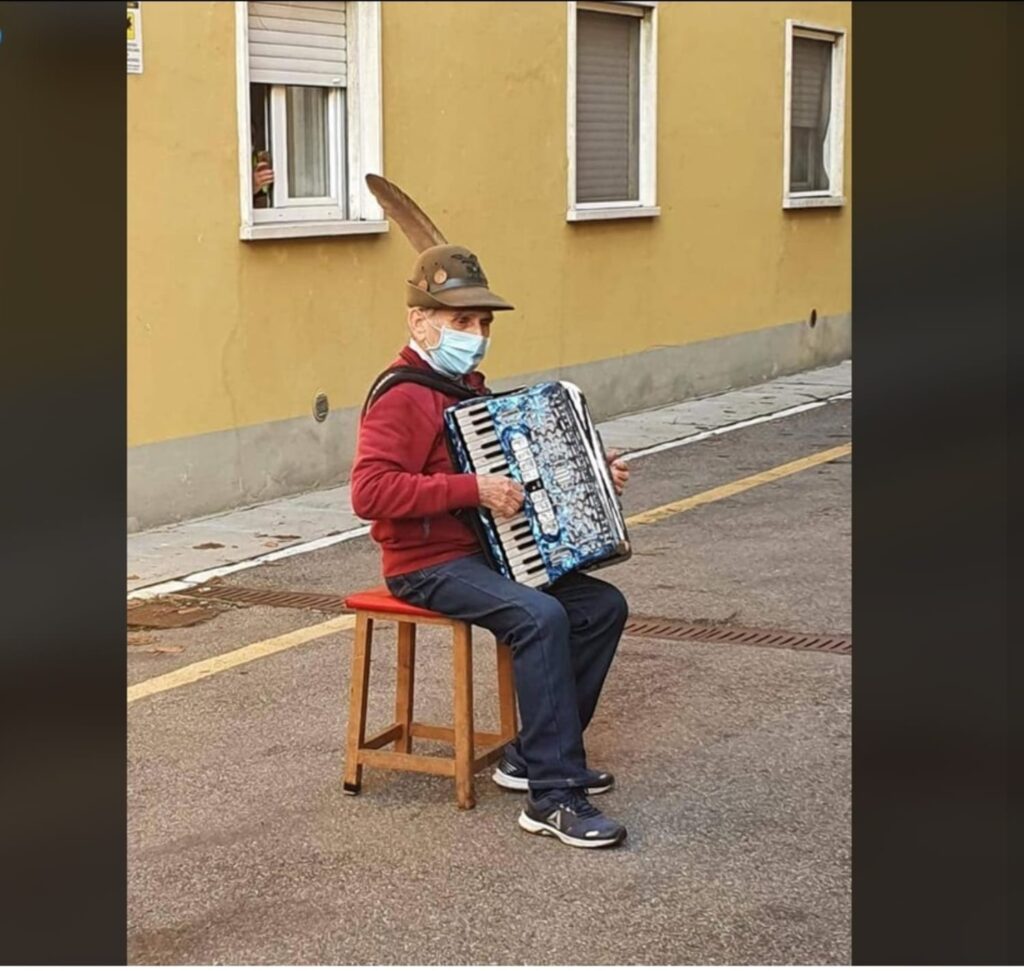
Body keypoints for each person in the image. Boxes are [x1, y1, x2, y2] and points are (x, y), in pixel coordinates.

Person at [350, 243, 632, 849]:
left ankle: (531, 756)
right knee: (540, 616)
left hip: (483, 554)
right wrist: (470, 488)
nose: (476, 336)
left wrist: (590, 468)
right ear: (418, 321)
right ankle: (554, 797)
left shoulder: (465, 389)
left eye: (483, 324)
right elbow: (369, 492)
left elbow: (522, 468)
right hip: (425, 565)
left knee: (601, 606)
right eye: (461, 323)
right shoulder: (402, 395)